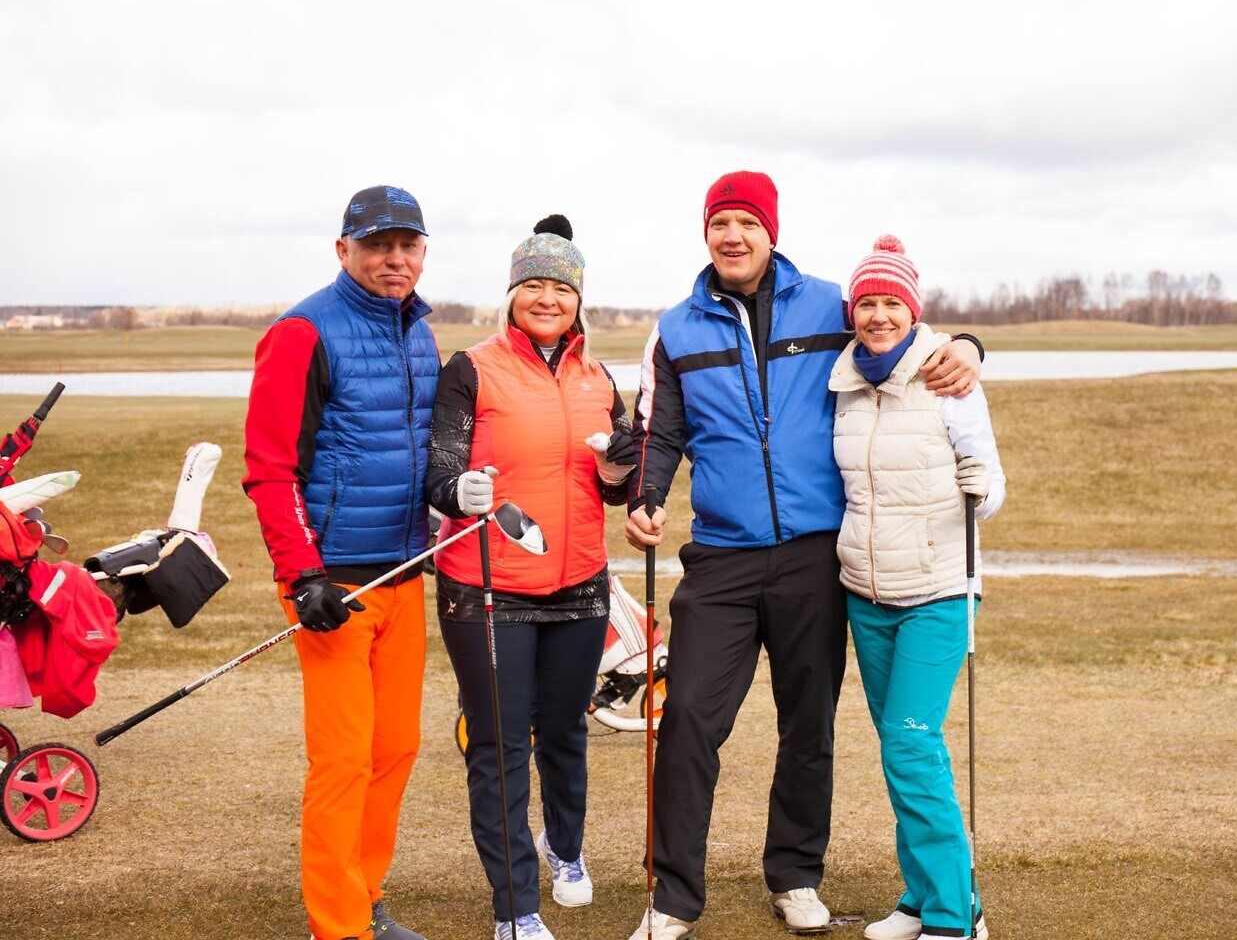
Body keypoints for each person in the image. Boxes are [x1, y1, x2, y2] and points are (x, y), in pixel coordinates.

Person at [622, 172, 984, 940]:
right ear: (706, 233)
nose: (733, 236)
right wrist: (645, 499)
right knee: (688, 717)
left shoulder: (828, 305)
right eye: (721, 222)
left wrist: (967, 346)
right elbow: (661, 429)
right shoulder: (675, 328)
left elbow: (902, 332)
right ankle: (674, 896)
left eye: (747, 222)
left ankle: (795, 876)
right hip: (720, 556)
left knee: (808, 722)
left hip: (815, 556)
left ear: (771, 231)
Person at [427, 216, 636, 940]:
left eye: (560, 288)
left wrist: (620, 472)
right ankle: (515, 909)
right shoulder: (472, 367)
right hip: (487, 584)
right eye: (533, 286)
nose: (547, 299)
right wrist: (461, 495)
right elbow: (441, 470)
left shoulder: (599, 378)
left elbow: (613, 482)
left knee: (566, 735)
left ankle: (566, 852)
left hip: (580, 583)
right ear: (513, 294)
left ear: (579, 300)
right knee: (499, 743)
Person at [243, 185, 438, 940]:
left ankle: (364, 895)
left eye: (408, 245)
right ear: (343, 250)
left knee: (395, 750)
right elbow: (269, 469)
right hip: (334, 583)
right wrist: (304, 575)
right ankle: (340, 927)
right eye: (378, 245)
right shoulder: (301, 331)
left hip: (405, 571)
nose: (395, 259)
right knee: (344, 760)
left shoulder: (417, 331)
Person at [829, 236, 1005, 940]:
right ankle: (919, 894)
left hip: (938, 587)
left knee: (910, 742)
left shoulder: (950, 378)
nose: (878, 315)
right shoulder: (840, 382)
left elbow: (991, 484)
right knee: (900, 747)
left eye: (891, 303)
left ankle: (957, 914)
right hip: (865, 592)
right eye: (867, 303)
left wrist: (980, 487)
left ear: (913, 310)